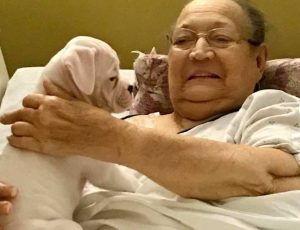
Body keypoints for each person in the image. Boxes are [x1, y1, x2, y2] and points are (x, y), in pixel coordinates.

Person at [1, 0, 300, 228]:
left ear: (259, 60)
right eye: (182, 40)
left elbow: (269, 176)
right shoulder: (91, 123)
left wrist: (112, 139)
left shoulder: (268, 109)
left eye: (220, 38)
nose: (198, 52)